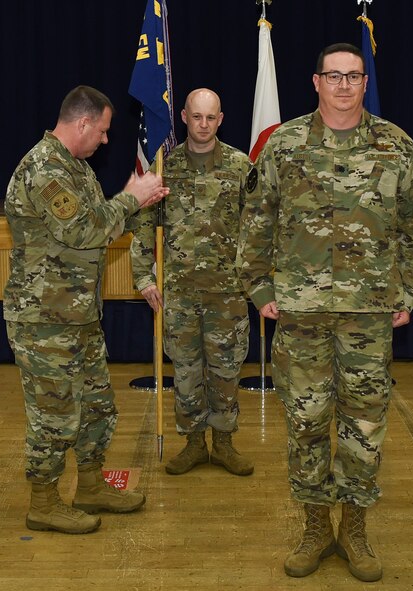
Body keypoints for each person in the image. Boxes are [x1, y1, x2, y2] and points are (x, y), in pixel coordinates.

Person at [238, 43, 413, 582]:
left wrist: (408, 291)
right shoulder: (284, 146)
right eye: (334, 75)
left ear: (365, 82)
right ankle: (316, 524)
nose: (344, 85)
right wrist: (258, 287)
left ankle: (355, 527)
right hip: (300, 314)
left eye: (353, 76)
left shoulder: (396, 146)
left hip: (369, 316)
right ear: (316, 82)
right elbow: (255, 219)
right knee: (305, 422)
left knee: (365, 423)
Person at [3, 85, 169, 534]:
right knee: (54, 416)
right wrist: (132, 197)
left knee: (96, 406)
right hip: (43, 320)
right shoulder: (44, 169)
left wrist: (145, 205)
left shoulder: (76, 169)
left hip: (77, 316)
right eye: (102, 130)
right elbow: (82, 231)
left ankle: (92, 485)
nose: (106, 139)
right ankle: (43, 501)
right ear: (81, 123)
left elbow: (102, 224)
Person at [130, 88, 254, 477]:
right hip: (179, 294)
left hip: (227, 292)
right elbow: (143, 224)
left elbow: (259, 226)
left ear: (221, 119)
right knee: (185, 371)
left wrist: (259, 279)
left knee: (226, 370)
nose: (203, 124)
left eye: (210, 118)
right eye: (196, 117)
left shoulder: (240, 166)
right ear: (183, 117)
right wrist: (144, 276)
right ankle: (194, 443)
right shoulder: (164, 166)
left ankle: (224, 443)